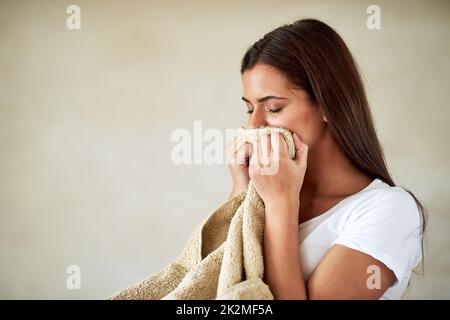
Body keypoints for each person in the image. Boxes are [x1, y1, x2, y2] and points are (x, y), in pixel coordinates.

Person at [226, 19, 426, 300]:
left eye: (273, 107)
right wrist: (241, 191)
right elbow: (219, 284)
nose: (254, 125)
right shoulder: (264, 193)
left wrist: (281, 202)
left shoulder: (390, 211)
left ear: (328, 104)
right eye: (249, 109)